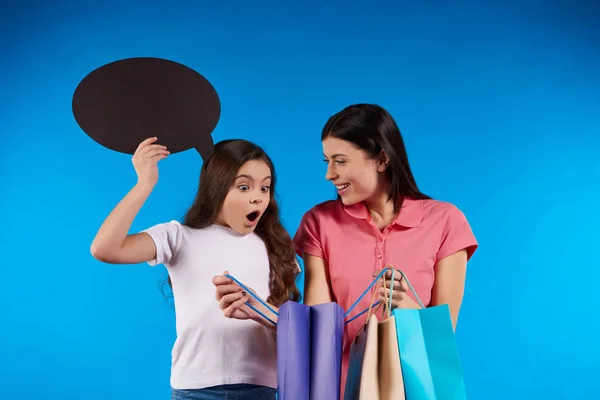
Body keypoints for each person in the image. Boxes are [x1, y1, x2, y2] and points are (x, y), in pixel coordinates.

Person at [90, 137, 300, 400]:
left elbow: (291, 326)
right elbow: (105, 248)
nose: (257, 198)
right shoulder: (178, 237)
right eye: (244, 187)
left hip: (261, 387)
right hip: (196, 389)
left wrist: (258, 309)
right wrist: (145, 184)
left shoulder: (275, 246)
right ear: (216, 187)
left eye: (265, 188)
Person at [293, 103, 479, 395]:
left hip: (414, 389)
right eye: (327, 161)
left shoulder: (445, 221)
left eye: (340, 161)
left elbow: (442, 337)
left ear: (382, 158)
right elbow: (321, 335)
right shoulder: (319, 222)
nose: (330, 174)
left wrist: (405, 303)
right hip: (343, 390)